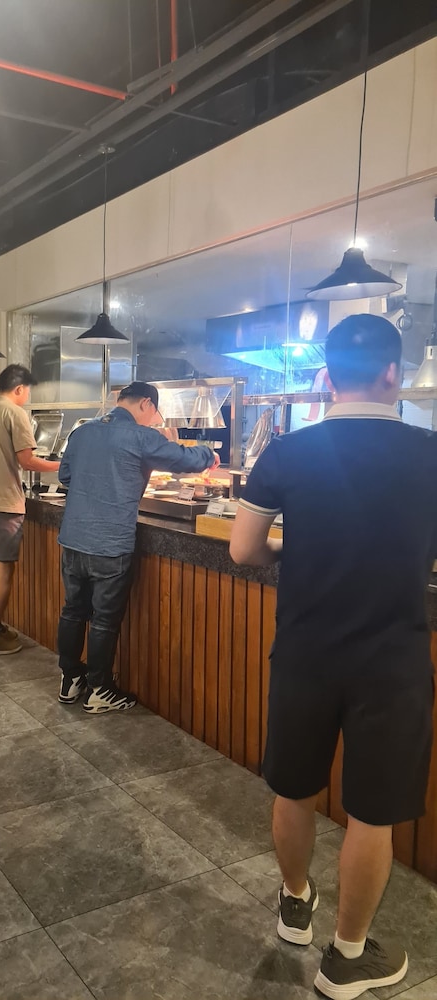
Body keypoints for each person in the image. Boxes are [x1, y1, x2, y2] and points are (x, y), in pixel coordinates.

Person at [229, 314, 437, 999]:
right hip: (392, 659)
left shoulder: (289, 452)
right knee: (372, 812)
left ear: (326, 376)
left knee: (294, 788)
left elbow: (243, 550)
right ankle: (347, 958)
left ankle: (296, 904)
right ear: (393, 373)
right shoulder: (431, 453)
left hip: (306, 649)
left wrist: (295, 550)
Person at [56, 381, 217, 713]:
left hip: (74, 538)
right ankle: (99, 690)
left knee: (73, 611)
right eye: (154, 413)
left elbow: (66, 476)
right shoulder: (141, 436)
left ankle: (70, 680)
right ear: (146, 403)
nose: (153, 420)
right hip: (110, 542)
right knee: (103, 620)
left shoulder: (82, 432)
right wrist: (209, 454)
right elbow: (183, 459)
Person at [0, 364, 60, 656]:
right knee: (5, 571)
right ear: (19, 388)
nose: (27, 396)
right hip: (4, 502)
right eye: (27, 391)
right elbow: (27, 461)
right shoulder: (15, 413)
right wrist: (65, 465)